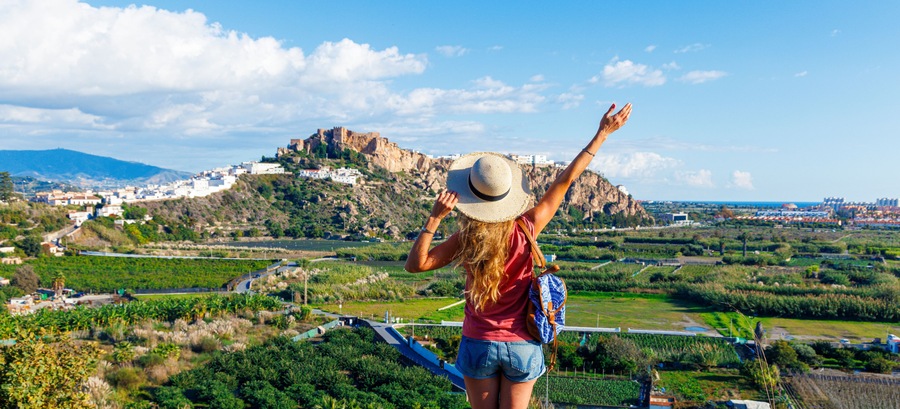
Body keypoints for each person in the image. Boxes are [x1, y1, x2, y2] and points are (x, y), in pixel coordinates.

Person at [405, 103, 632, 409]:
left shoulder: (466, 239)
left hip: (478, 343)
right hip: (522, 344)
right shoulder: (528, 226)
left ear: (471, 198)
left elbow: (415, 265)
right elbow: (564, 182)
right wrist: (602, 133)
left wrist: (434, 218)